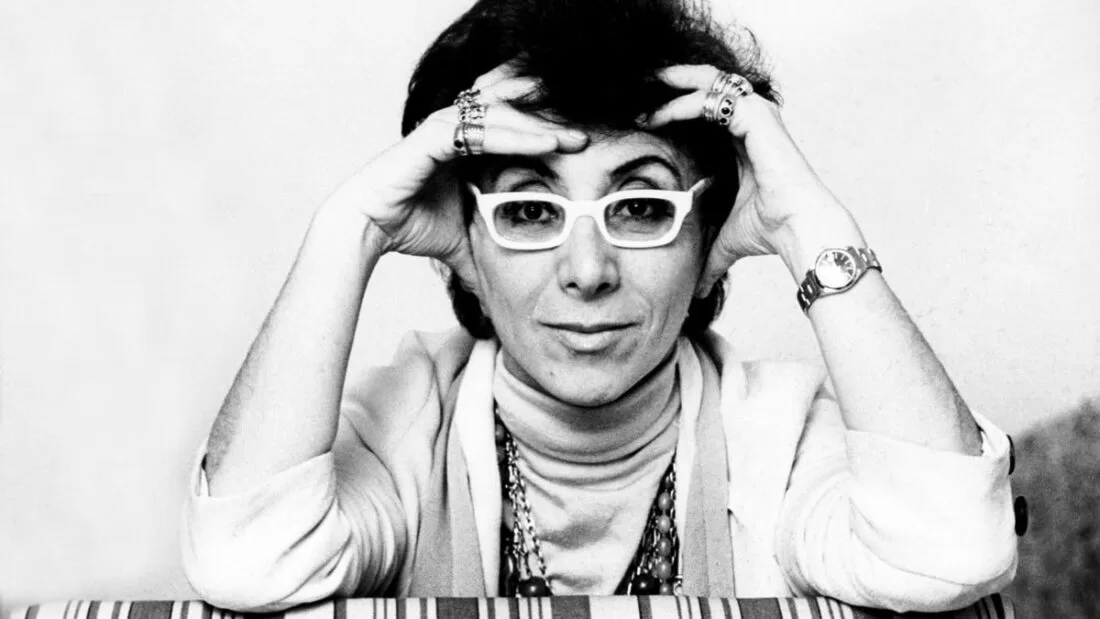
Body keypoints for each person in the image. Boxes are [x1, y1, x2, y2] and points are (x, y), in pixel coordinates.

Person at [181, 0, 1018, 612]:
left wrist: (809, 224)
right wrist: (350, 228)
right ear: (466, 249)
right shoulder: (405, 424)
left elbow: (953, 549)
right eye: (529, 210)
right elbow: (245, 559)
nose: (587, 272)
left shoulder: (780, 434)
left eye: (643, 207)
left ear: (708, 247)